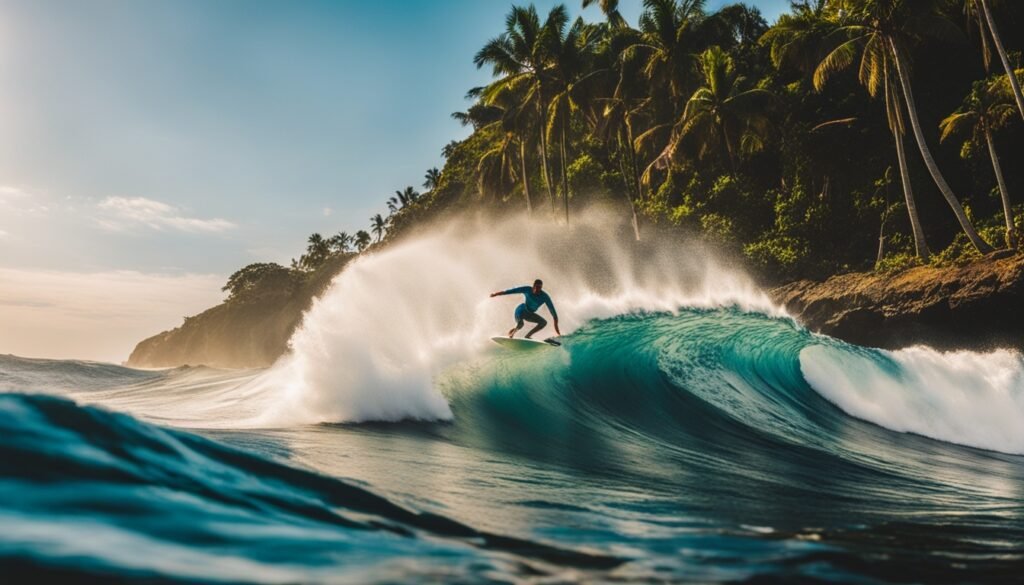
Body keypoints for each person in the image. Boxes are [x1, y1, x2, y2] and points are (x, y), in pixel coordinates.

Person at [490, 279, 561, 339]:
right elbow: (511, 291)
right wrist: (496, 294)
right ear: (533, 285)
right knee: (521, 324)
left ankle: (527, 336)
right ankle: (511, 335)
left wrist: (557, 331)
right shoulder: (527, 289)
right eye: (536, 287)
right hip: (520, 310)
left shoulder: (545, 296)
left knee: (543, 322)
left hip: (529, 314)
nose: (537, 289)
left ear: (541, 288)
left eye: (539, 288)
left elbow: (553, 313)